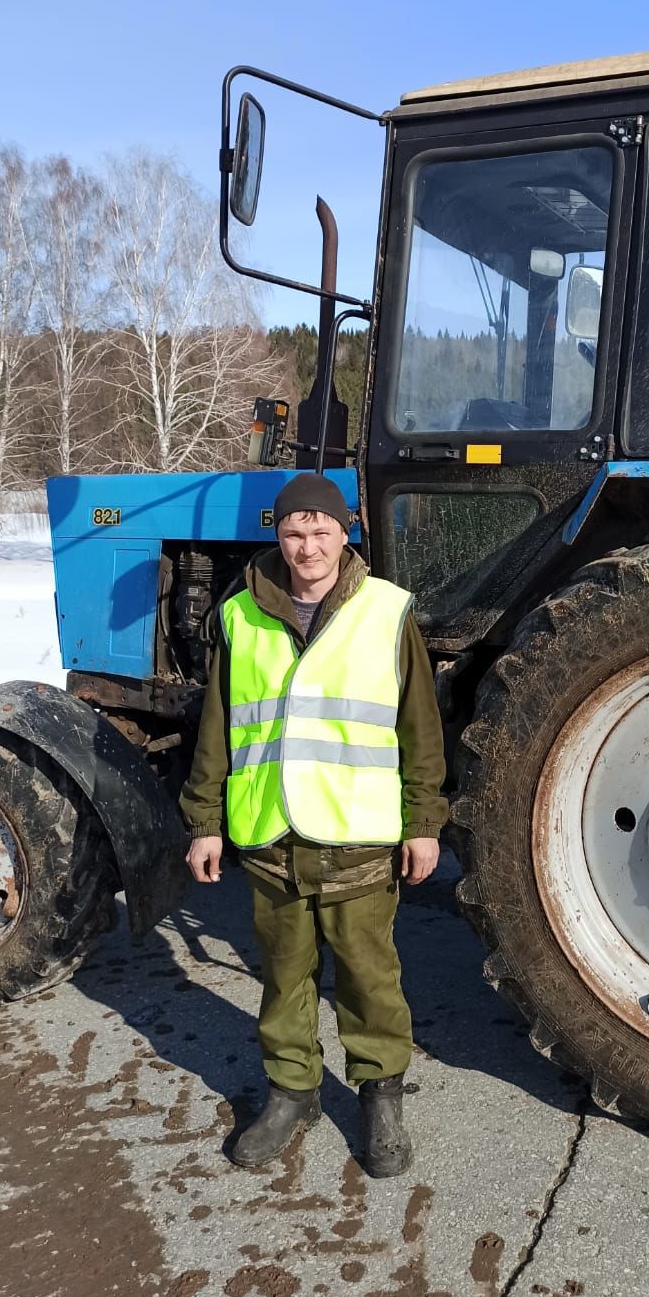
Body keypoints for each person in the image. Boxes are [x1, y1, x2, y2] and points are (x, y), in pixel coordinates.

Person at [179, 472, 447, 1178]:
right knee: (283, 977)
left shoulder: (387, 613)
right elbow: (217, 731)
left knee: (368, 977)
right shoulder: (239, 617)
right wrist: (205, 821)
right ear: (278, 536)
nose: (307, 546)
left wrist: (423, 822)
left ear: (345, 532)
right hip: (272, 835)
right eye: (295, 532)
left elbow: (420, 728)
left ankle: (380, 1095)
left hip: (358, 838)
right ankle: (290, 1091)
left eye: (321, 531)